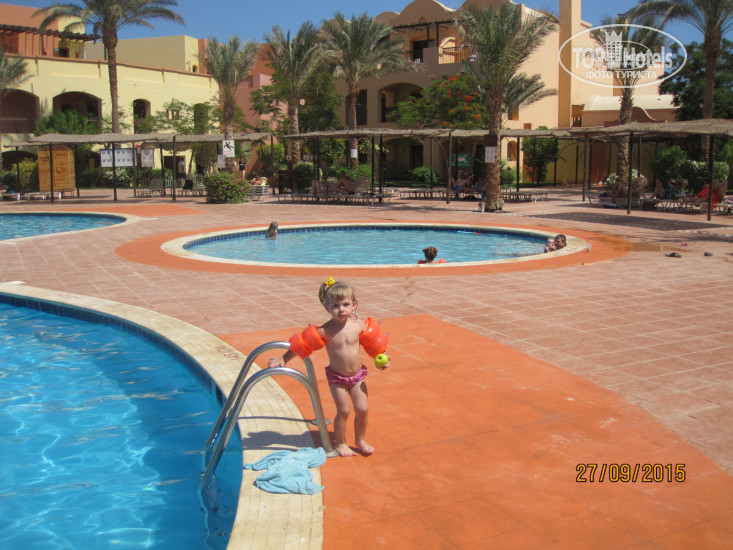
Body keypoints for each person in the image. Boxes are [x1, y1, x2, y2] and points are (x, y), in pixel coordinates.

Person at [268, 279, 389, 457]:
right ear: (327, 308)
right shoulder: (325, 330)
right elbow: (302, 344)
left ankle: (360, 440)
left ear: (354, 305)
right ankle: (340, 443)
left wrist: (383, 359)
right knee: (344, 411)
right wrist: (283, 358)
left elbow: (373, 344)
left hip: (357, 376)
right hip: (337, 378)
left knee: (363, 409)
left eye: (345, 304)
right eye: (336, 306)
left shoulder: (359, 325)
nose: (341, 310)